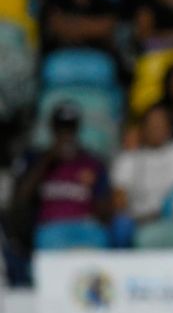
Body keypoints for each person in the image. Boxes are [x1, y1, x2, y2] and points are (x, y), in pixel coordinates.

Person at [10, 103, 112, 248]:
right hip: (50, 228)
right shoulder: (35, 159)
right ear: (52, 129)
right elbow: (21, 199)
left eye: (70, 129)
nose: (65, 135)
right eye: (61, 129)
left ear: (77, 130)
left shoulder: (92, 163)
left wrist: (93, 186)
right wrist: (48, 160)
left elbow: (105, 212)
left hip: (85, 228)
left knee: (99, 240)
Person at [111, 104, 173, 231]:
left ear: (170, 127)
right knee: (121, 224)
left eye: (161, 123)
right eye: (152, 124)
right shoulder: (127, 159)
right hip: (142, 221)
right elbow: (120, 203)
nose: (156, 128)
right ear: (142, 128)